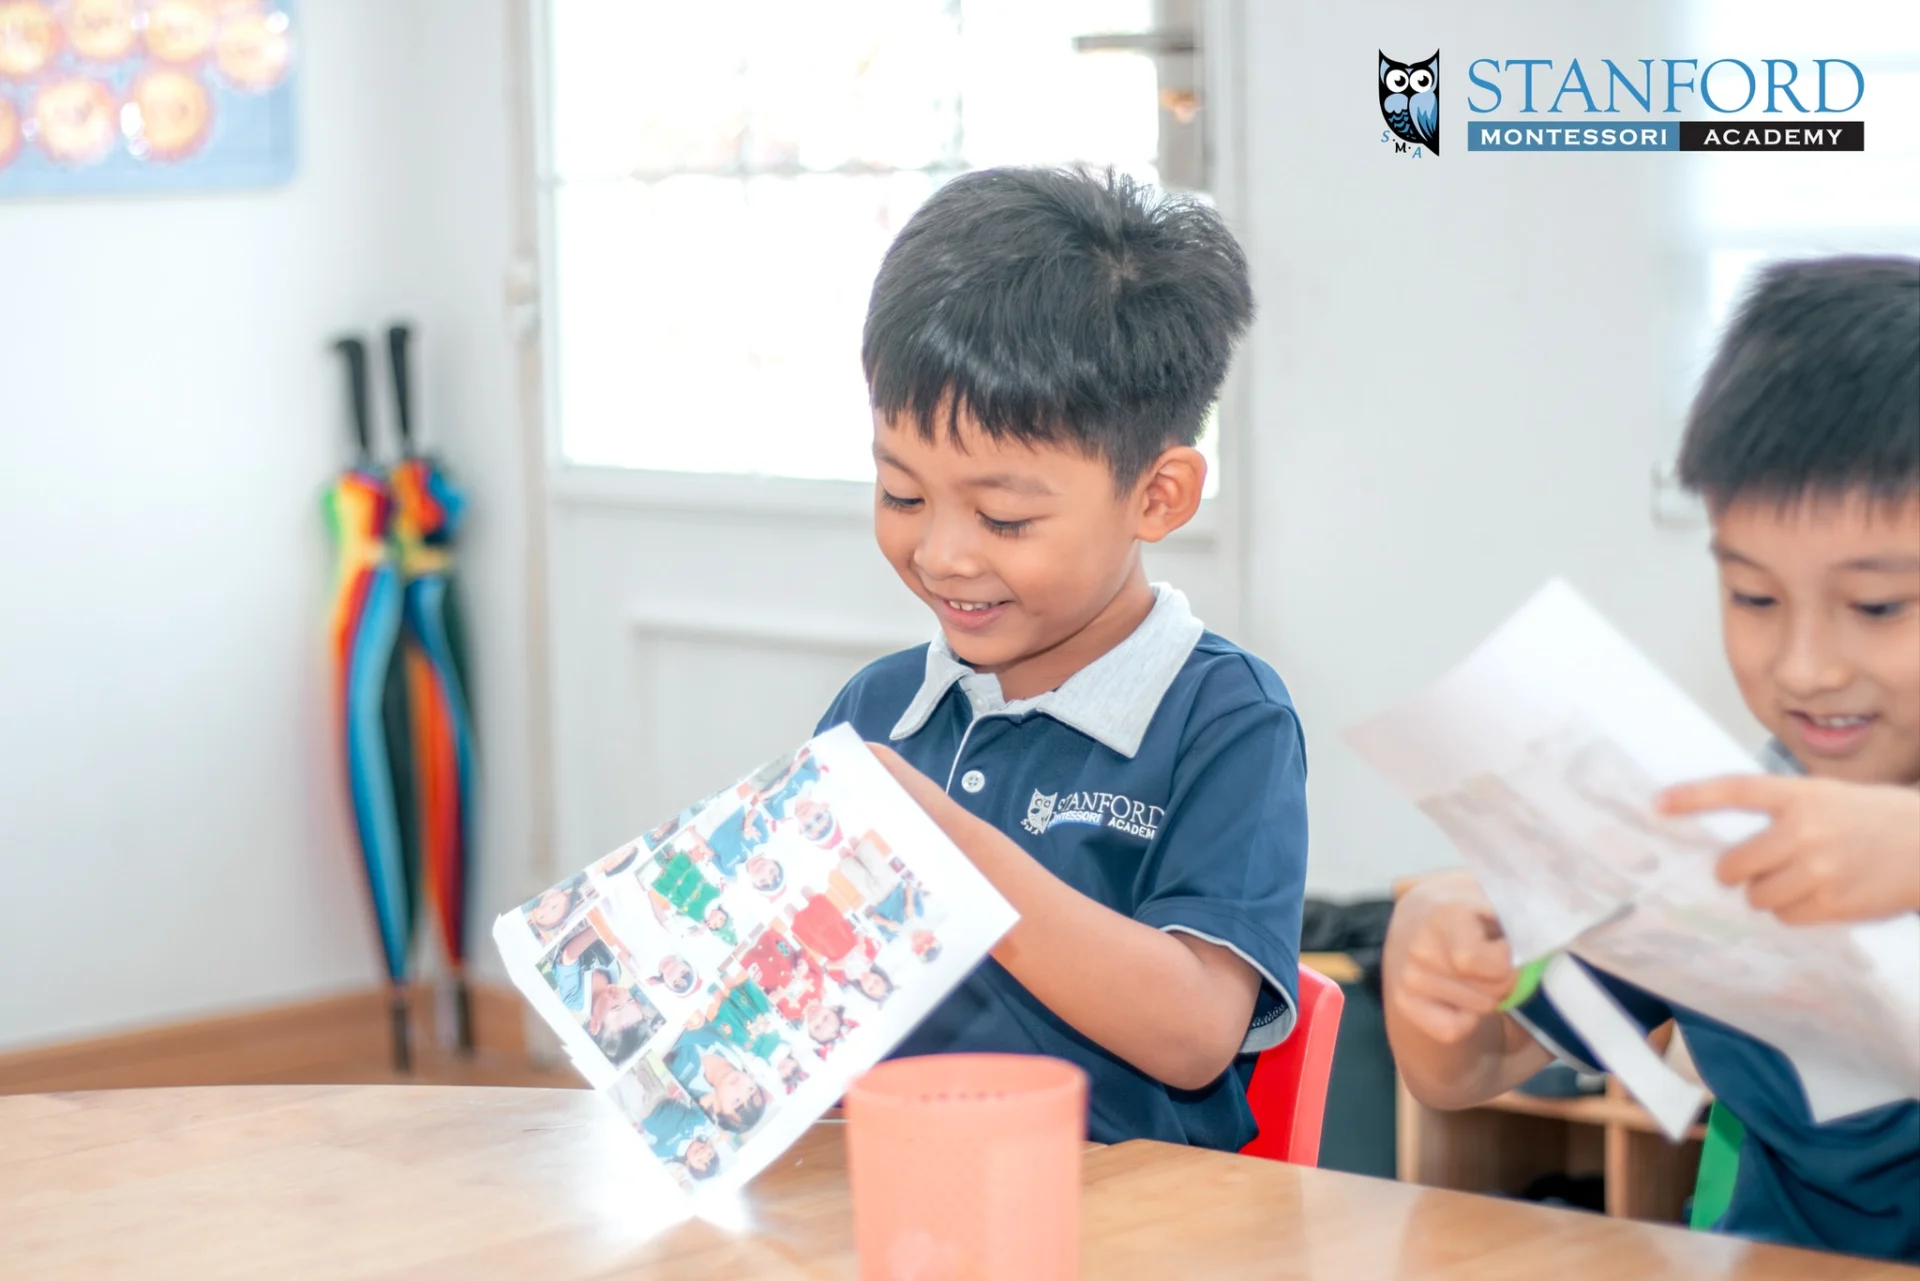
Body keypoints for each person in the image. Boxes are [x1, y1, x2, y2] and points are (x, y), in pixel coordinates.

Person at [1383, 256, 1920, 1262]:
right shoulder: (1728, 832)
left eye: (1879, 607)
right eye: (1755, 598)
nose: (1805, 666)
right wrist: (1437, 982)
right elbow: (1474, 1072)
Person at [814, 167, 1307, 1150]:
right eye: (903, 495)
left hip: (1132, 1232)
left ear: (1158, 497)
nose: (943, 553)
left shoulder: (1226, 720)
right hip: (893, 1205)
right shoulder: (877, 712)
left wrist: (947, 847)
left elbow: (1195, 1034)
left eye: (1004, 517)